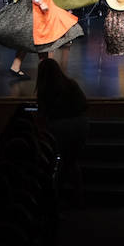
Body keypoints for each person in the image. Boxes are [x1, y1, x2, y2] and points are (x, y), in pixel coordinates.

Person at [36, 58, 89, 204]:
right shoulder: (70, 84)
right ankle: (76, 196)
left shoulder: (45, 89)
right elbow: (84, 104)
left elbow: (42, 114)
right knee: (70, 161)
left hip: (59, 127)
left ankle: (57, 196)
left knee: (65, 162)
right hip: (79, 125)